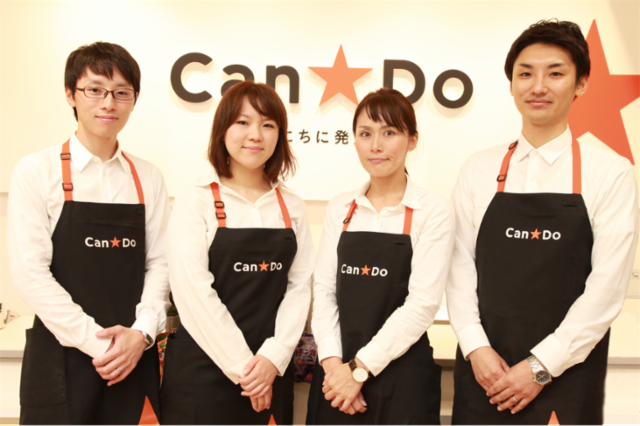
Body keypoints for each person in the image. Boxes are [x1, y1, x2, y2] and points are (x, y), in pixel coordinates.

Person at [447, 19, 639, 425]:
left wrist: (540, 367)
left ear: (581, 83)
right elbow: (458, 268)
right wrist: (476, 348)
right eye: (525, 74)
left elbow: (606, 288)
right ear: (511, 84)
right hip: (485, 374)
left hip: (566, 375)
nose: (538, 86)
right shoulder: (478, 168)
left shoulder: (611, 173)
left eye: (555, 73)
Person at [7, 42, 171, 424]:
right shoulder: (36, 171)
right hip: (61, 362)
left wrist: (141, 334)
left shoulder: (148, 177)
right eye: (95, 90)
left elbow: (162, 264)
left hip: (133, 359)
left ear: (133, 100)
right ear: (71, 94)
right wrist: (99, 344)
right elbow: (31, 274)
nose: (108, 103)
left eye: (121, 93)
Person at [160, 80, 314, 425]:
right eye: (243, 122)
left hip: (271, 370)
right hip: (203, 371)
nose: (255, 135)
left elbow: (300, 288)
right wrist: (246, 369)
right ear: (222, 129)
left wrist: (273, 357)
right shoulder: (195, 200)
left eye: (268, 125)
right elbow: (192, 292)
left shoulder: (292, 206)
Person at [306, 88, 455, 425]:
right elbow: (324, 291)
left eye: (389, 133)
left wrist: (359, 370)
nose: (376, 145)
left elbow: (422, 304)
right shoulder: (341, 208)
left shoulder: (433, 210)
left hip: (402, 376)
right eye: (365, 134)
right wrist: (333, 366)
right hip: (336, 377)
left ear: (412, 140)